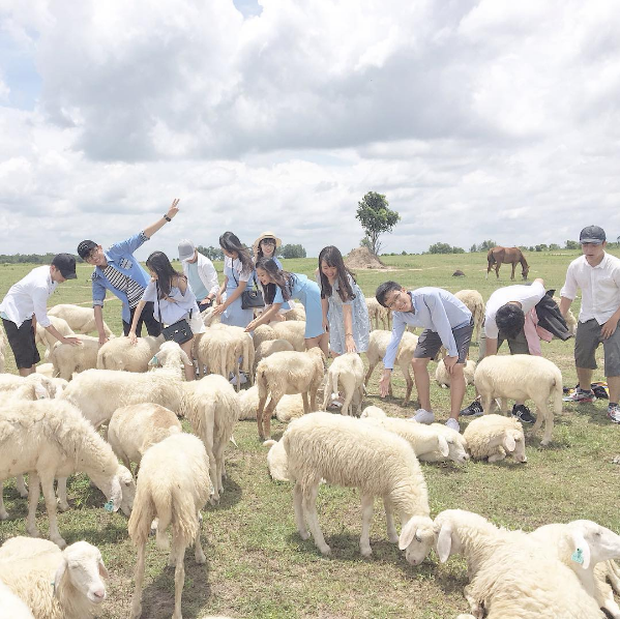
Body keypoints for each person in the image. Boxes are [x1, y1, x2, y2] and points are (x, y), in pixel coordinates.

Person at [77, 199, 180, 344]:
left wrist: (166, 217)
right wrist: (101, 334)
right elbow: (97, 305)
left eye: (94, 252)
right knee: (129, 346)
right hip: (130, 309)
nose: (94, 258)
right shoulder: (97, 278)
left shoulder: (117, 250)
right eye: (88, 257)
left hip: (149, 299)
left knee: (158, 341)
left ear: (99, 247)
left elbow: (142, 236)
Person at [375, 281, 473, 432]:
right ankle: (426, 411)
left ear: (403, 290)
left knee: (456, 367)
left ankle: (453, 420)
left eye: (397, 297)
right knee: (417, 362)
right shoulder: (399, 315)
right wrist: (387, 370)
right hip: (435, 325)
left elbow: (443, 324)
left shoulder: (428, 297)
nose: (398, 304)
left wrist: (452, 354)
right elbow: (394, 340)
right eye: (391, 304)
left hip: (460, 323)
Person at [460, 277, 546, 423]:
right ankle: (481, 403)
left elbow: (540, 280)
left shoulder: (534, 294)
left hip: (519, 320)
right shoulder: (492, 318)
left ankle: (519, 407)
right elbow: (490, 359)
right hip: (498, 319)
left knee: (522, 363)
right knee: (483, 363)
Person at [559, 225, 620, 424]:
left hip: (613, 317)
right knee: (581, 355)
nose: (588, 250)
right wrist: (559, 319)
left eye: (593, 245)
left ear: (604, 244)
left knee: (613, 361)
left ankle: (613, 406)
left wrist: (613, 320)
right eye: (585, 245)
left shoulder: (615, 266)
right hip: (587, 317)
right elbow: (568, 293)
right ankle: (585, 392)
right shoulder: (576, 266)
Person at [128, 251, 204, 381]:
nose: (151, 273)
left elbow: (189, 301)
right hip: (171, 323)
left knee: (186, 356)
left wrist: (172, 298)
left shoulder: (180, 280)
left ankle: (191, 387)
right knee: (174, 355)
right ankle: (181, 384)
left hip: (186, 321)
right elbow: (140, 305)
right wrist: (132, 331)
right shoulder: (155, 282)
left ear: (160, 268)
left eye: (152, 270)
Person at [0, 254, 80, 376]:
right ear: (53, 268)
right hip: (14, 315)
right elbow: (44, 319)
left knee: (32, 355)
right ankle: (28, 388)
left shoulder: (51, 276)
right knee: (25, 358)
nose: (64, 279)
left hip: (27, 313)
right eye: (63, 275)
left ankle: (35, 383)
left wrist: (33, 321)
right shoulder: (41, 285)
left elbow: (37, 307)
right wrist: (62, 339)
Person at [245, 258, 328, 355]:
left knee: (311, 338)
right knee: (321, 333)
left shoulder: (282, 283)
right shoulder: (277, 282)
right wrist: (256, 320)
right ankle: (323, 366)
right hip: (313, 297)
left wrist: (256, 324)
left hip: (314, 299)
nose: (260, 278)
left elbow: (274, 309)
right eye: (258, 275)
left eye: (262, 275)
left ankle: (318, 364)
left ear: (270, 272)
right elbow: (271, 306)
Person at [318, 245, 370, 356]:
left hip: (351, 310)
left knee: (350, 348)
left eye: (333, 267)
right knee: (335, 348)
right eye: (325, 267)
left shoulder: (344, 281)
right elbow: (324, 295)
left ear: (339, 266)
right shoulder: (320, 274)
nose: (329, 271)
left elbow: (347, 310)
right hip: (335, 309)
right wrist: (324, 317)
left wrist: (349, 336)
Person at [213, 231, 255, 328]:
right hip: (229, 297)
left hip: (242, 300)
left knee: (241, 329)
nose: (227, 253)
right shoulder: (228, 258)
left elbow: (241, 287)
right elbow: (227, 278)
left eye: (229, 250)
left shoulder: (245, 262)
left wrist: (224, 306)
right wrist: (219, 293)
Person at [252, 231, 294, 320]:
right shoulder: (254, 261)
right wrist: (256, 256)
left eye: (271, 244)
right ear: (260, 246)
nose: (268, 247)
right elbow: (252, 277)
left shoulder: (277, 263)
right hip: (262, 297)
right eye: (265, 244)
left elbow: (279, 285)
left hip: (275, 298)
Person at [178, 239, 220, 312]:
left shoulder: (206, 263)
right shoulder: (185, 263)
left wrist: (208, 298)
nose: (189, 260)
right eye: (186, 259)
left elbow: (215, 286)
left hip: (206, 301)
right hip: (193, 300)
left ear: (195, 250)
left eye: (190, 258)